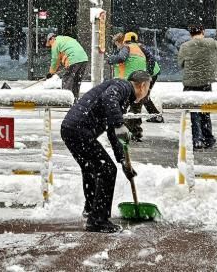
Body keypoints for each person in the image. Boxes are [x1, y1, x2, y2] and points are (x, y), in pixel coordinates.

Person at [60, 70, 152, 233]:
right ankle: (98, 220)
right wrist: (119, 124)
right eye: (148, 88)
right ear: (142, 86)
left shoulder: (122, 94)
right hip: (79, 130)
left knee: (91, 168)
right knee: (107, 170)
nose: (147, 93)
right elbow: (110, 98)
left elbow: (112, 131)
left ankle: (91, 209)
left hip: (70, 129)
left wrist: (122, 160)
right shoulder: (123, 87)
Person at [177, 25, 217, 149]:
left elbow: (180, 64)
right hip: (205, 83)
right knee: (205, 111)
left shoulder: (184, 46)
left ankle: (197, 139)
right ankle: (208, 138)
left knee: (194, 112)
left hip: (190, 84)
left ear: (190, 34)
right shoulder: (211, 43)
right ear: (203, 32)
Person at [106, 32, 149, 139]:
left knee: (122, 108)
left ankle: (121, 132)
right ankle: (136, 132)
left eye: (116, 43)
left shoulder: (126, 48)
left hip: (128, 82)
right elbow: (151, 60)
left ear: (122, 41)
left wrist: (110, 59)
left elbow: (121, 58)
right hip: (141, 82)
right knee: (135, 108)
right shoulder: (140, 49)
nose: (116, 46)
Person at [124, 32, 164, 123]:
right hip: (151, 72)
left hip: (151, 73)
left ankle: (135, 116)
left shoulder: (137, 47)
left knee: (141, 94)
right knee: (144, 95)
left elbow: (151, 59)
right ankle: (155, 116)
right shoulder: (137, 47)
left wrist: (148, 73)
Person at [45, 33, 88, 101]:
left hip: (73, 59)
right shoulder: (65, 38)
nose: (50, 45)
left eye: (49, 43)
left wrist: (51, 73)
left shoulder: (55, 42)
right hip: (84, 59)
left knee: (66, 79)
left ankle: (65, 100)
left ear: (52, 39)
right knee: (76, 81)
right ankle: (75, 100)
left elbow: (55, 59)